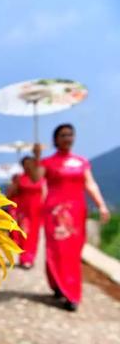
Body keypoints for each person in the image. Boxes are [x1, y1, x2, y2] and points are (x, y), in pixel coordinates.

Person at [31, 123, 110, 311]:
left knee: (73, 253)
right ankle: (62, 287)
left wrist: (101, 205)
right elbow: (35, 178)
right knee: (56, 250)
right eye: (63, 135)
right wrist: (36, 157)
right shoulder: (47, 162)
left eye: (70, 134)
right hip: (55, 213)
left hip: (76, 212)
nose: (67, 138)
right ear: (56, 139)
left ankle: (70, 289)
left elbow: (90, 184)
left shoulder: (81, 162)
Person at [6, 156, 45, 269]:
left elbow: (44, 193)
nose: (28, 166)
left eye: (30, 163)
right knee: (24, 234)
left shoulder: (39, 178)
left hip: (37, 210)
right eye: (25, 164)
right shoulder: (19, 178)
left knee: (34, 235)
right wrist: (14, 185)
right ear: (22, 166)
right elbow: (10, 195)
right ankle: (24, 258)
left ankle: (31, 257)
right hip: (24, 211)